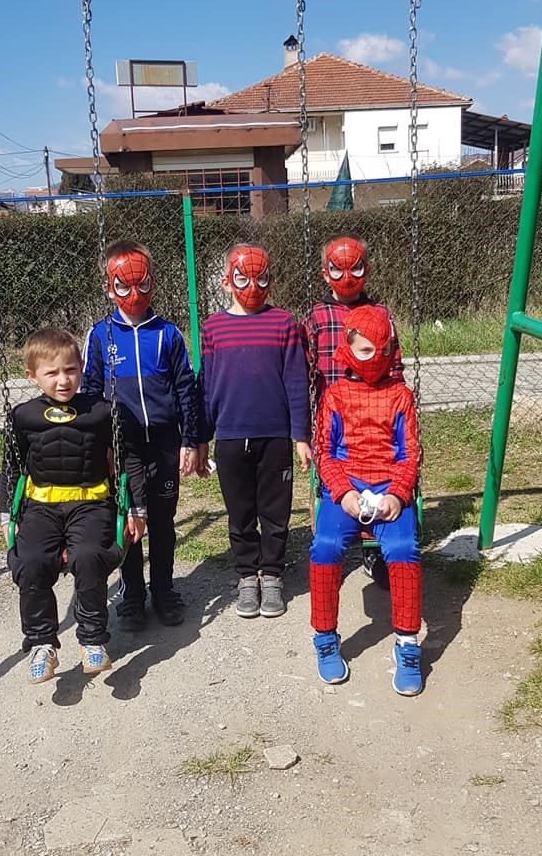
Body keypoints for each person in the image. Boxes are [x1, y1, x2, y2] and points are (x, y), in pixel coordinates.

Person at [0, 328, 147, 684]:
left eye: (70, 370)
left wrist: (135, 509)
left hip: (91, 503)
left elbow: (129, 460)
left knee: (89, 555)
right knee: (30, 560)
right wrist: (7, 515)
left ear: (81, 368)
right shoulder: (23, 416)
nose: (63, 380)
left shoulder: (102, 412)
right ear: (32, 376)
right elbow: (11, 467)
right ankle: (41, 643)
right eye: (51, 373)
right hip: (40, 506)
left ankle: (92, 639)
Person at [81, 240, 198, 631]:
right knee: (127, 520)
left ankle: (163, 589)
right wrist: (97, 449)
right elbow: (90, 394)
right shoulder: (100, 336)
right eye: (124, 285)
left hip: (164, 443)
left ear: (153, 282)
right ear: (108, 287)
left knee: (162, 522)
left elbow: (186, 389)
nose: (134, 294)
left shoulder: (167, 334)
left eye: (142, 284)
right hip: (121, 448)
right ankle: (132, 594)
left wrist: (190, 440)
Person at [309, 303, 423, 696]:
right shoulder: (335, 396)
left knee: (404, 549)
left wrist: (398, 494)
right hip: (347, 485)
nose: (374, 358)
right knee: (325, 546)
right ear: (348, 348)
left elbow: (410, 454)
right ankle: (325, 637)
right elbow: (325, 454)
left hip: (389, 484)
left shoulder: (400, 396)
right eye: (364, 350)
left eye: (381, 350)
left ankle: (407, 643)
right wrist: (343, 493)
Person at [198, 244, 311, 619]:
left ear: (271, 280)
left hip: (275, 437)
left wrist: (300, 436)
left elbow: (296, 381)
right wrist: (201, 438)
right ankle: (248, 575)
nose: (253, 286)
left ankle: (273, 574)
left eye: (261, 279)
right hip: (230, 437)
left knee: (275, 511)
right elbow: (206, 386)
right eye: (243, 278)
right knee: (240, 511)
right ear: (226, 282)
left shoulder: (284, 323)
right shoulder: (213, 327)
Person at [300, 233, 404, 588]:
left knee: (381, 474)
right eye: (338, 270)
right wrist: (304, 433)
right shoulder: (316, 317)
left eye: (355, 269)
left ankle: (377, 550)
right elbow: (304, 372)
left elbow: (395, 367)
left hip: (377, 416)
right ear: (325, 273)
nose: (347, 278)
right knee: (335, 484)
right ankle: (336, 541)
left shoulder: (381, 315)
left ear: (367, 269)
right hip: (334, 420)